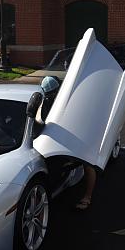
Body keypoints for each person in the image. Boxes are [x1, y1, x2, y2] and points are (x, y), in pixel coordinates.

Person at [39, 76, 96, 211]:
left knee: (88, 164)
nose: (51, 96)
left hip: (80, 134)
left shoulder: (73, 99)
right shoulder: (46, 102)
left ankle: (87, 196)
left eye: (53, 93)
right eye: (49, 94)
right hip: (58, 138)